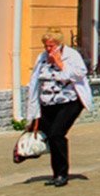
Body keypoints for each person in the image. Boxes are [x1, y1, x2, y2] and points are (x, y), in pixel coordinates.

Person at [27, 31, 91, 186]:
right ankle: (56, 174)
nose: (48, 49)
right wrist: (34, 112)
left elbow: (80, 73)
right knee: (51, 136)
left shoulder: (71, 55)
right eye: (46, 46)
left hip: (69, 101)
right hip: (48, 103)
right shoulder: (42, 58)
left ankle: (62, 174)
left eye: (52, 46)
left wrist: (60, 63)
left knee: (57, 133)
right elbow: (35, 82)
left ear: (59, 44)